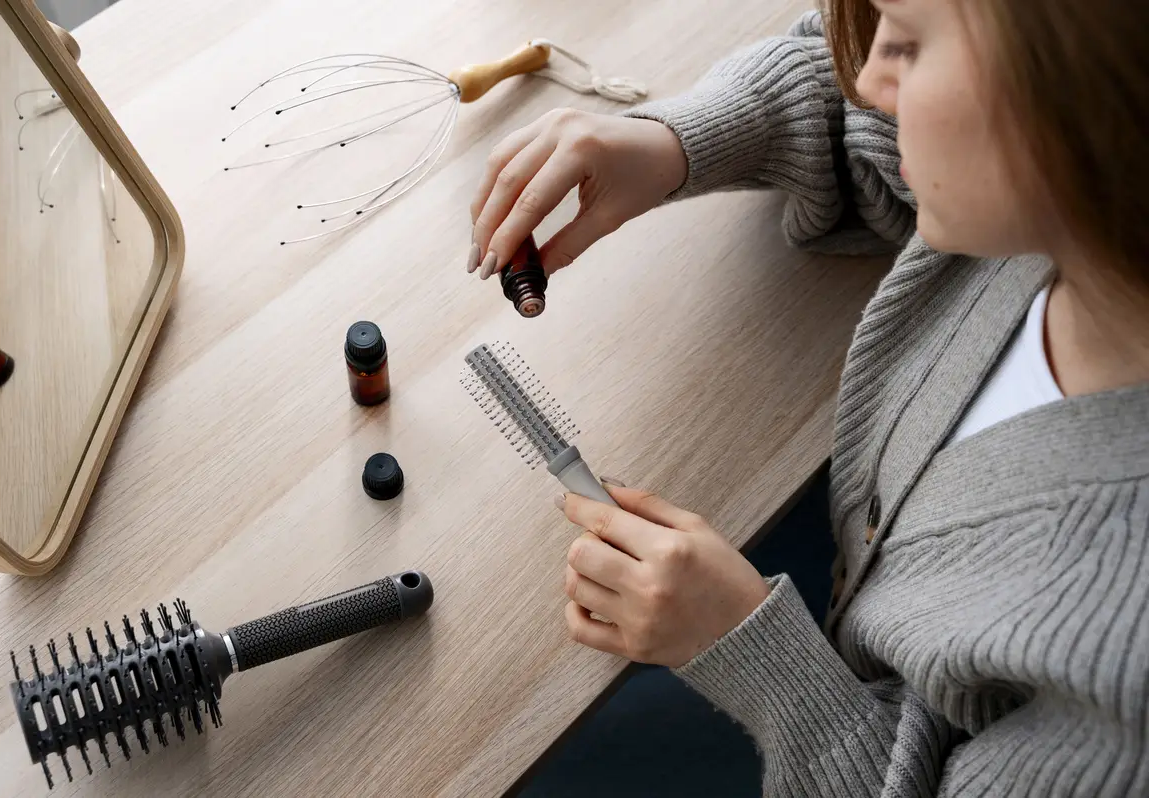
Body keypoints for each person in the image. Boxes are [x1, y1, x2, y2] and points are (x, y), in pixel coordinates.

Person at [467, 0, 1149, 795]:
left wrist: (759, 660)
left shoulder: (1121, 675)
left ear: (1084, 100)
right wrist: (675, 139)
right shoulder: (1072, 209)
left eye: (908, 45)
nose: (867, 76)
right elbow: (859, 107)